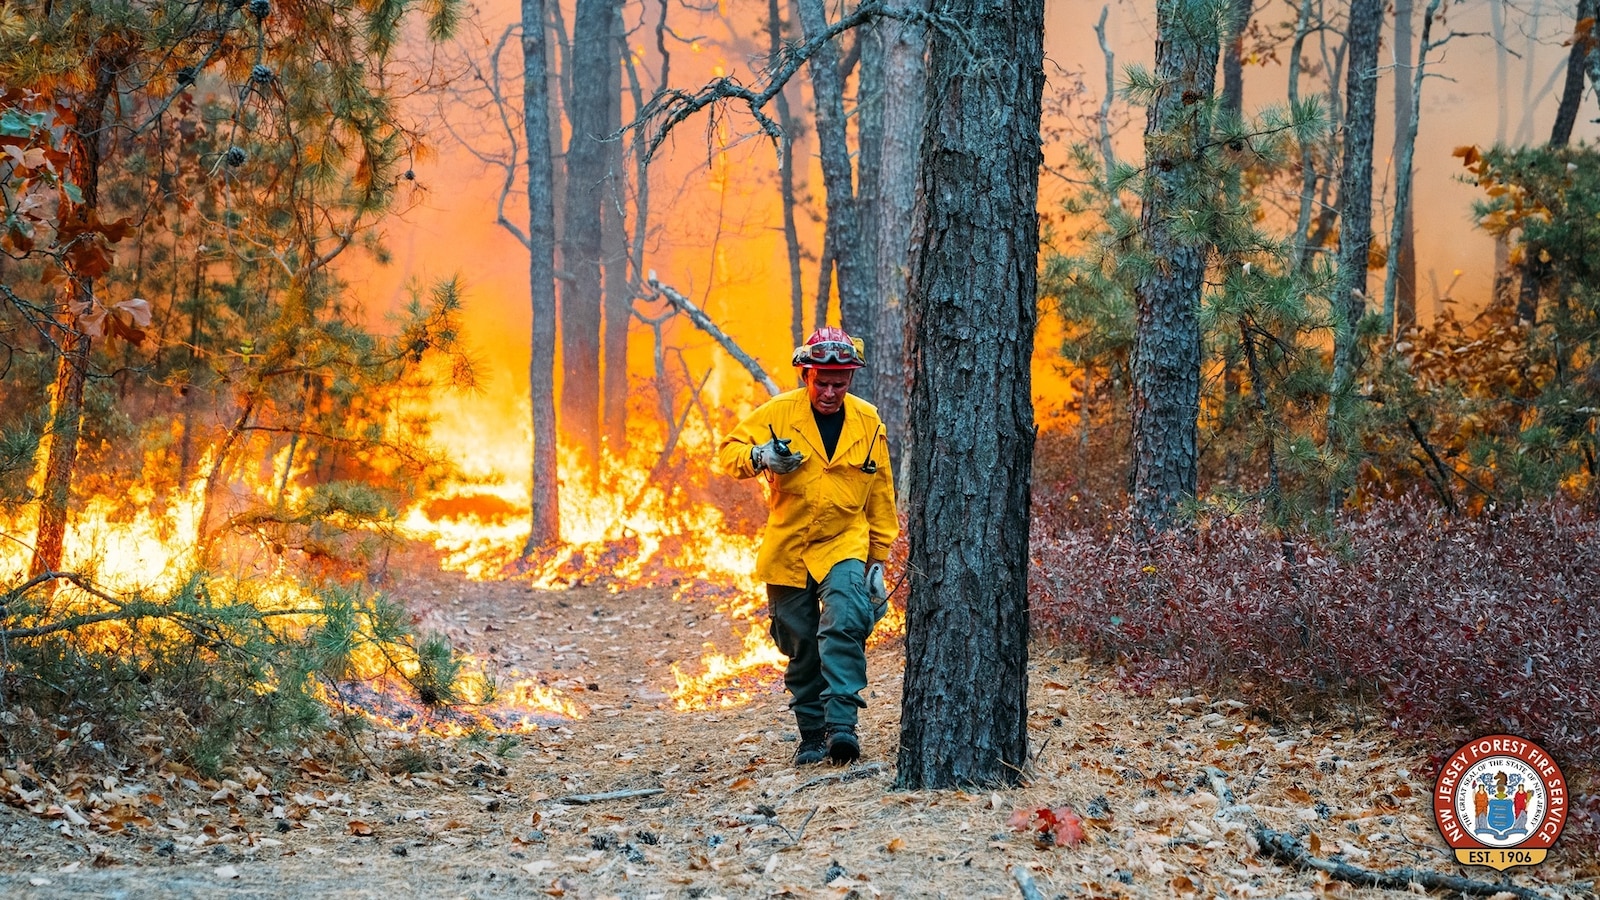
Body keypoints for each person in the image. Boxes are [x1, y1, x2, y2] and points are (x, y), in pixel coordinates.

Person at [716, 326, 898, 765]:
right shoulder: (778, 413)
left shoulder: (868, 420)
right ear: (805, 375)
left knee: (843, 624)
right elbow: (727, 453)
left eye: (840, 383)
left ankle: (842, 729)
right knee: (800, 643)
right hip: (789, 546)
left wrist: (878, 559)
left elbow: (881, 491)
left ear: (851, 379)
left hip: (844, 542)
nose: (831, 392)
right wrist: (761, 455)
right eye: (822, 382)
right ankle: (812, 736)